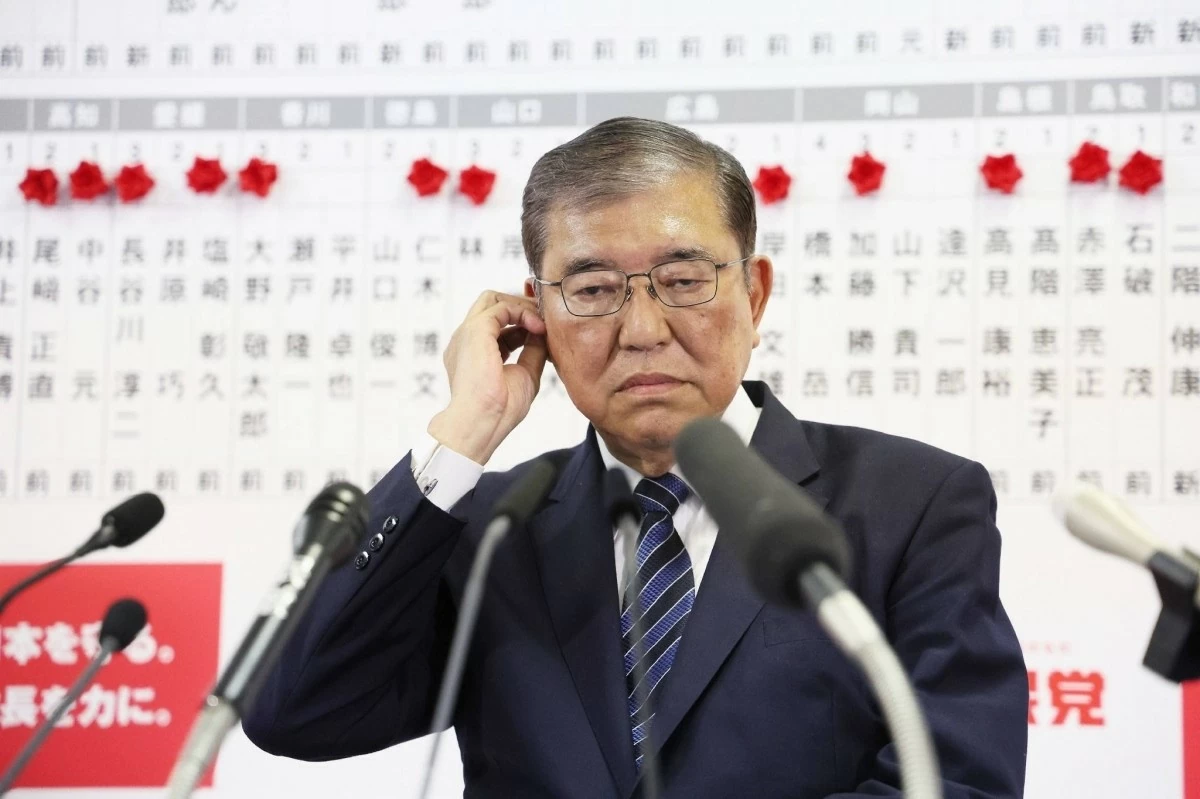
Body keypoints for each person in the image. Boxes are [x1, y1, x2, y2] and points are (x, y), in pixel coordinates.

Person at [243, 117, 1028, 798]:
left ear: (754, 295)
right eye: (591, 289)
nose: (643, 327)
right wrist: (462, 432)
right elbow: (295, 708)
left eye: (683, 279)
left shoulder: (913, 502)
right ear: (538, 311)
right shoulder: (488, 529)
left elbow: (956, 780)